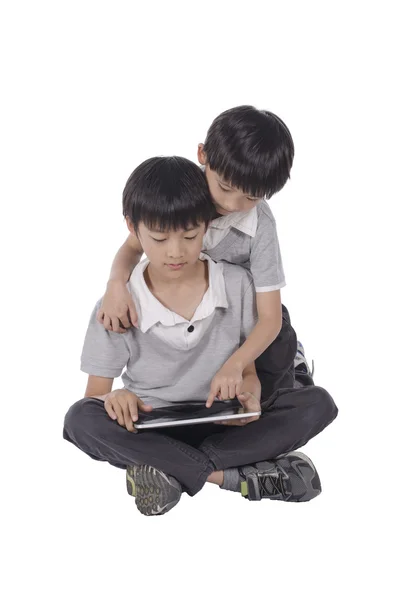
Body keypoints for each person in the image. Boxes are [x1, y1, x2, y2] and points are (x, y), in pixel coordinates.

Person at [63, 156, 338, 517]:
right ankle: (229, 476)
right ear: (133, 229)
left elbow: (251, 372)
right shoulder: (117, 305)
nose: (175, 251)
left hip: (221, 422)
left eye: (190, 236)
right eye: (159, 239)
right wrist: (118, 397)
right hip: (155, 426)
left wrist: (249, 396)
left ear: (207, 225)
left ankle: (166, 472)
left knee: (317, 404)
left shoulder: (238, 286)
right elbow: (96, 397)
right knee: (79, 419)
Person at [96, 106, 304, 403]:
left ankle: (294, 374)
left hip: (247, 314)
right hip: (197, 316)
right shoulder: (184, 194)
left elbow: (268, 318)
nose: (233, 204)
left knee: (273, 373)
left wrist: (236, 364)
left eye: (251, 197)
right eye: (225, 187)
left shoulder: (260, 226)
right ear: (203, 156)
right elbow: (133, 246)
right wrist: (115, 284)